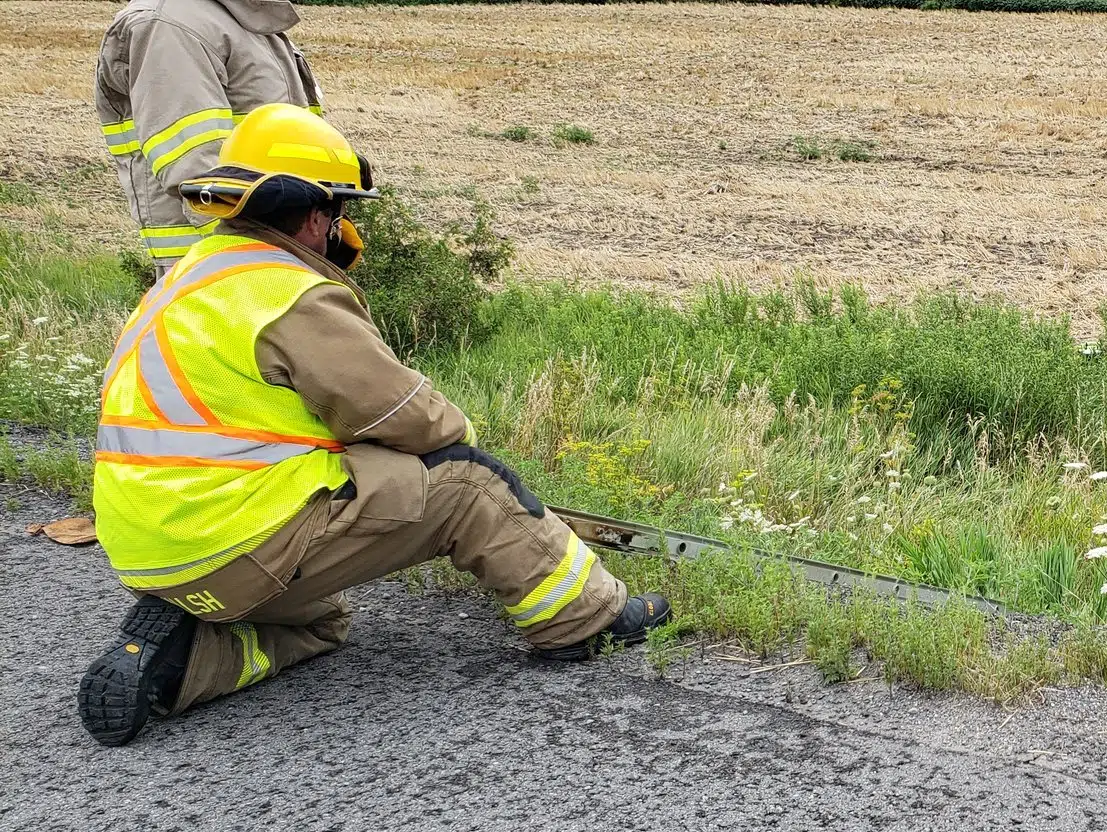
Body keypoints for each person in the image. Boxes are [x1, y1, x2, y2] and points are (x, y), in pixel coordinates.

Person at [76, 105, 670, 747]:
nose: (342, 228)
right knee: (471, 485)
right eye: (338, 212)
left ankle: (178, 665)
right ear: (314, 215)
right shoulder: (285, 290)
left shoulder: (190, 276)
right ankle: (586, 622)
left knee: (320, 622)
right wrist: (460, 440)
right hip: (238, 538)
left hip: (153, 547)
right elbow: (405, 417)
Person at [96, 0, 326, 276]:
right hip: (220, 269)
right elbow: (199, 173)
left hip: (271, 253)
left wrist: (327, 218)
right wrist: (262, 255)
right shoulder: (171, 26)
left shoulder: (244, 19)